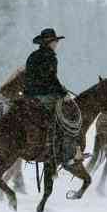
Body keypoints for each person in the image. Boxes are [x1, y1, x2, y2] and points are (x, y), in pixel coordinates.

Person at [24, 28, 77, 167]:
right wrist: (63, 93)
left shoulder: (33, 55)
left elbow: (37, 77)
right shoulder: (50, 56)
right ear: (49, 42)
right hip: (43, 95)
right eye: (55, 41)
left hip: (29, 95)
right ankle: (65, 153)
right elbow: (50, 79)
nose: (57, 44)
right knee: (66, 114)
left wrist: (59, 88)